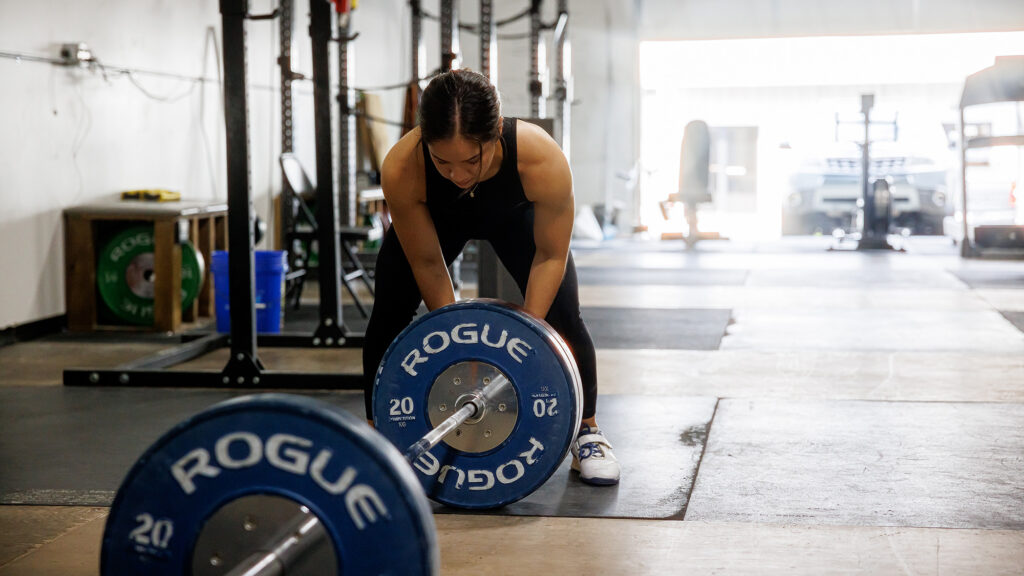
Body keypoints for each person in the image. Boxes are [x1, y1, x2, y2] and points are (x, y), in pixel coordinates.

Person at [362, 68, 619, 486]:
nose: (459, 175)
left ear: (497, 131)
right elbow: (427, 263)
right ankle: (376, 439)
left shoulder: (540, 157)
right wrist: (458, 342)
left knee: (563, 315)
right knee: (389, 313)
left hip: (512, 216)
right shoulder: (402, 166)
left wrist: (527, 336)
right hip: (437, 218)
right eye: (442, 161)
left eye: (471, 160)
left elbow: (551, 255)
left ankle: (588, 431)